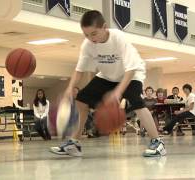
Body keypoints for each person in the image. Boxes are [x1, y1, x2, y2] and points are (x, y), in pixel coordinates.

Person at [50, 10, 166, 157]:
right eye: (86, 35)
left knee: (136, 101)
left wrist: (118, 92)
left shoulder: (118, 38)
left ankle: (157, 142)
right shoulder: (87, 45)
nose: (90, 38)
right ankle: (74, 143)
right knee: (81, 99)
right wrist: (69, 89)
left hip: (132, 73)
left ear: (104, 27)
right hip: (107, 75)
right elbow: (79, 70)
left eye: (94, 34)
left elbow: (130, 69)